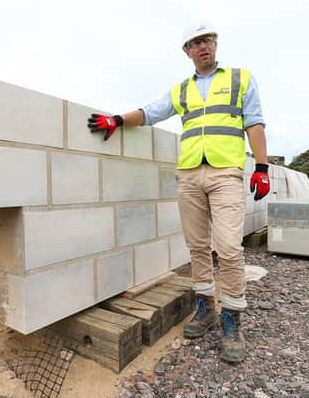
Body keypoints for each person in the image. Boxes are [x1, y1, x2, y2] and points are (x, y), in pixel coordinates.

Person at [87, 24, 269, 363]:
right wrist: (116, 119)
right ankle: (205, 308)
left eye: (207, 41)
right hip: (189, 175)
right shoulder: (182, 89)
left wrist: (262, 167)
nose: (203, 47)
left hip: (225, 172)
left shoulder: (240, 79)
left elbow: (254, 122)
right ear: (187, 51)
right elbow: (151, 112)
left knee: (228, 248)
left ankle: (232, 317)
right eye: (195, 43)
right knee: (198, 247)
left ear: (216, 44)